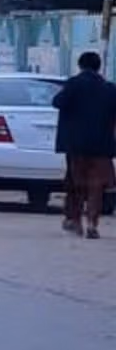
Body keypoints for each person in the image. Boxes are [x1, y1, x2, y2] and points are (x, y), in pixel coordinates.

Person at [53, 51, 116, 238]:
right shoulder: (110, 88)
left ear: (80, 66)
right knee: (96, 186)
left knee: (76, 183)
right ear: (98, 67)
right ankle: (92, 224)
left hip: (76, 144)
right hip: (102, 145)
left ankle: (75, 220)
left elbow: (57, 102)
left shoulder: (73, 84)